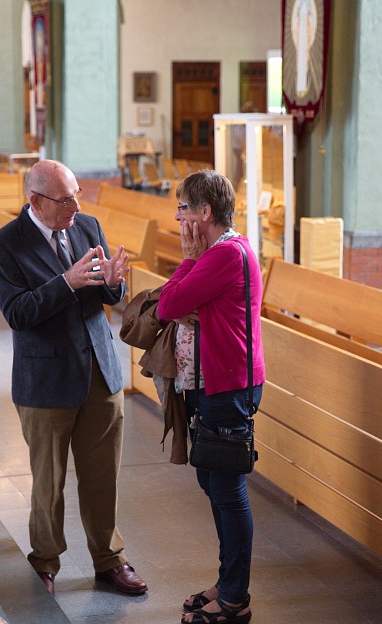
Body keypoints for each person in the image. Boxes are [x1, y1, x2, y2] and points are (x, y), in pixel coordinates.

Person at [0, 160, 148, 597]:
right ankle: (45, 561)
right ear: (36, 201)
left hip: (99, 372)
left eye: (77, 194)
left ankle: (109, 559)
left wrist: (113, 284)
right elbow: (18, 313)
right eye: (65, 199)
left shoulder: (87, 226)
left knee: (102, 475)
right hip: (46, 379)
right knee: (48, 480)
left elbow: (108, 294)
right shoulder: (3, 245)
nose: (76, 206)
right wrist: (67, 282)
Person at [157, 170, 265, 624]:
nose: (178, 218)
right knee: (213, 481)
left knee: (227, 489)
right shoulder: (222, 252)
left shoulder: (223, 255)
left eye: (183, 208)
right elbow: (176, 305)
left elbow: (168, 306)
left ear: (204, 212)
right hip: (215, 382)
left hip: (228, 384)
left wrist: (187, 259)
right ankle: (227, 581)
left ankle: (235, 598)